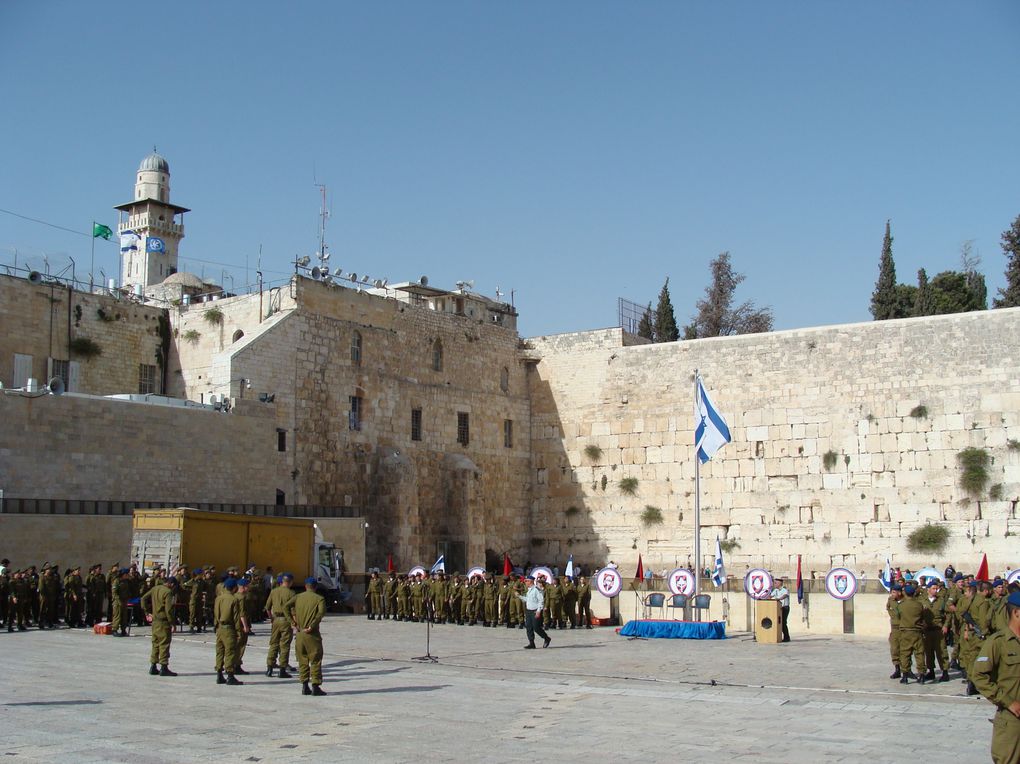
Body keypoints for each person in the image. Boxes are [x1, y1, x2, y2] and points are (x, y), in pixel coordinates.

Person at [970, 590, 1020, 764]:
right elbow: (979, 676)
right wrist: (1008, 702)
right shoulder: (998, 642)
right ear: (1016, 613)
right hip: (1012, 720)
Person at [287, 577, 326, 696]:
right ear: (315, 587)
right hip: (312, 634)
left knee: (302, 659)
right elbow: (320, 614)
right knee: (315, 659)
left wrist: (292, 623)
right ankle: (315, 686)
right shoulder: (319, 599)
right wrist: (312, 625)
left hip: (299, 633)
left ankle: (304, 686)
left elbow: (285, 607)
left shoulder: (298, 597)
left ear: (305, 586)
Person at [141, 576, 178, 676]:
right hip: (163, 622)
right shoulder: (168, 592)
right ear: (172, 584)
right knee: (164, 644)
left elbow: (143, 598)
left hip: (155, 622)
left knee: (155, 643)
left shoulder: (155, 588)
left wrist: (146, 612)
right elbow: (169, 610)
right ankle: (164, 667)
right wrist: (172, 623)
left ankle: (153, 666)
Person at [265, 573, 296, 678]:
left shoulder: (273, 591)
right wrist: (294, 623)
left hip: (276, 619)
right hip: (286, 620)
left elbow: (268, 607)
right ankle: (282, 669)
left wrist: (271, 618)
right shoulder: (291, 593)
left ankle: (269, 668)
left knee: (273, 643)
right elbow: (293, 611)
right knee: (285, 645)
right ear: (290, 582)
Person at [214, 578, 243, 685]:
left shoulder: (219, 598)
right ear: (235, 588)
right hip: (229, 628)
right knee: (230, 651)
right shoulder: (233, 599)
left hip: (220, 627)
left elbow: (216, 613)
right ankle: (230, 675)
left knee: (220, 651)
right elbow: (236, 617)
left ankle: (219, 674)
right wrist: (238, 631)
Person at [517, 575, 550, 649]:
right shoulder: (529, 590)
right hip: (528, 611)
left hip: (535, 611)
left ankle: (546, 638)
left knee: (536, 627)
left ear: (530, 581)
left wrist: (538, 611)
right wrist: (519, 596)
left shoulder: (536, 590)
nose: (525, 583)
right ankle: (531, 643)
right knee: (528, 627)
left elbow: (541, 601)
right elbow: (528, 599)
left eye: (526, 581)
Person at [770, 578, 791, 642]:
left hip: (785, 608)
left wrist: (778, 599)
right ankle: (777, 637)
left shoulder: (785, 590)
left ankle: (787, 637)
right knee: (778, 623)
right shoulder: (775, 590)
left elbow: (785, 595)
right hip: (778, 608)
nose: (775, 584)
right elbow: (770, 596)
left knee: (783, 623)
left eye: (776, 583)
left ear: (780, 583)